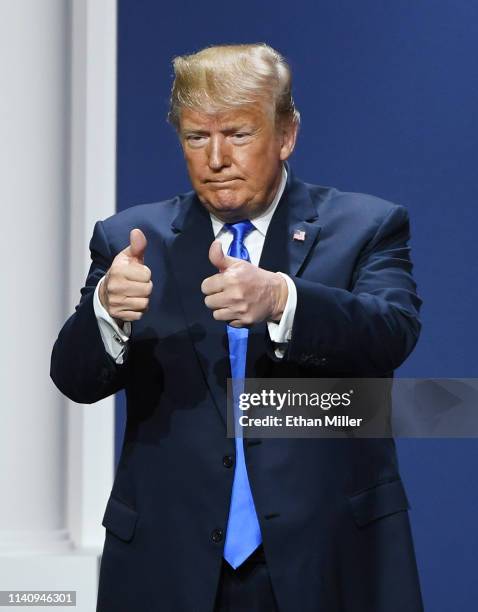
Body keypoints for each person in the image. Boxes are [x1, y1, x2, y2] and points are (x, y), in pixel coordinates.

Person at [51, 43, 424, 612]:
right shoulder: (129, 239)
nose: (216, 158)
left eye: (239, 134)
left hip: (325, 558)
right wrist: (106, 311)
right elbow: (75, 378)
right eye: (196, 138)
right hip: (170, 562)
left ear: (286, 133)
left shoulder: (367, 226)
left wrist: (283, 300)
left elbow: (392, 332)